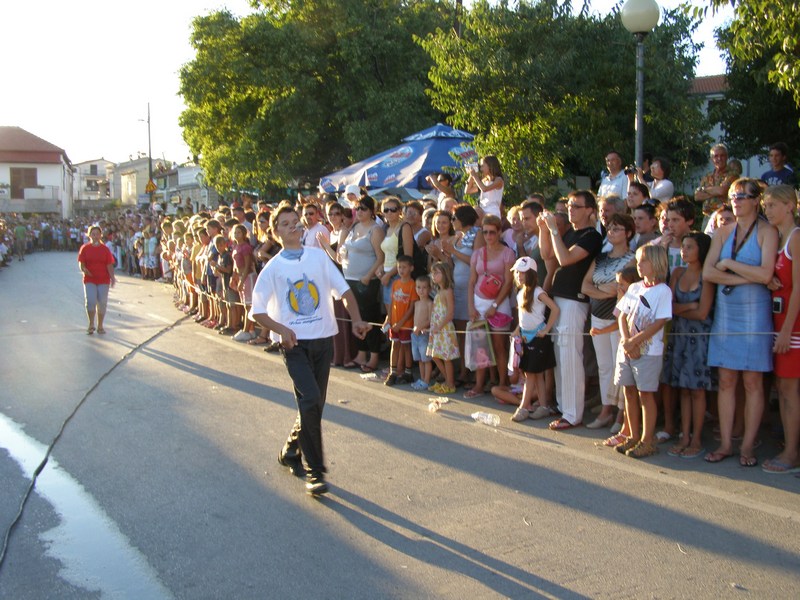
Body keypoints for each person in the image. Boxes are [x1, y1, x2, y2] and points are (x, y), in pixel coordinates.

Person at [250, 203, 370, 495]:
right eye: (285, 223)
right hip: (294, 346)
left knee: (313, 405)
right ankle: (315, 472)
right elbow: (257, 311)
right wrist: (282, 330)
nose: (293, 226)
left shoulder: (318, 258)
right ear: (275, 232)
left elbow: (342, 290)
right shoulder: (273, 268)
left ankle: (291, 450)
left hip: (323, 341)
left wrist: (356, 319)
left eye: (295, 221)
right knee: (311, 399)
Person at [704, 178, 778, 467]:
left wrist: (730, 265)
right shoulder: (723, 232)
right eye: (733, 196)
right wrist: (749, 276)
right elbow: (709, 273)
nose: (735, 200)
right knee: (726, 380)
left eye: (742, 196)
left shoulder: (767, 231)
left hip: (754, 314)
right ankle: (725, 443)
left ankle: (747, 445)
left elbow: (766, 273)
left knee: (752, 381)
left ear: (755, 200)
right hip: (726, 314)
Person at [538, 190, 604, 429]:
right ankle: (564, 406)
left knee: (570, 356)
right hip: (559, 298)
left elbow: (565, 259)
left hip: (575, 301)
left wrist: (554, 230)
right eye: (570, 205)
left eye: (576, 206)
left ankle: (573, 413)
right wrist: (545, 230)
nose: (570, 210)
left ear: (590, 210)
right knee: (560, 356)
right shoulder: (571, 233)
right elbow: (548, 256)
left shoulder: (591, 236)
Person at [614, 244, 672, 458]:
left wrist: (636, 341)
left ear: (656, 263)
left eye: (643, 261)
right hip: (628, 348)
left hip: (648, 351)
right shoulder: (635, 287)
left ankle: (647, 440)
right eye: (638, 261)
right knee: (629, 391)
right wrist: (627, 341)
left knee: (645, 394)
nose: (639, 265)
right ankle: (633, 434)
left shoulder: (663, 291)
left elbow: (659, 322)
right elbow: (622, 315)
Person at [663, 233, 716, 459]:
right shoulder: (677, 273)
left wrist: (684, 307)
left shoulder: (708, 276)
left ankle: (696, 438)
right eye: (683, 247)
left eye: (689, 247)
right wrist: (689, 305)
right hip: (679, 336)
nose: (684, 251)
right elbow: (669, 307)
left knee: (697, 390)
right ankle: (684, 435)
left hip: (700, 339)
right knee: (682, 389)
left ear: (701, 250)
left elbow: (703, 312)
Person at [580, 213, 636, 429]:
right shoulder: (601, 258)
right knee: (604, 366)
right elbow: (585, 286)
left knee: (619, 366)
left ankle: (621, 415)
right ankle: (605, 411)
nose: (611, 232)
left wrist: (602, 291)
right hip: (598, 316)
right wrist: (604, 292)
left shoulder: (631, 259)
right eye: (610, 228)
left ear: (628, 233)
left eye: (617, 229)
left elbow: (621, 289)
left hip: (618, 318)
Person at [762, 185, 800, 474]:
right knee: (783, 388)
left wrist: (787, 330)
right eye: (766, 204)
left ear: (790, 206)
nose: (768, 209)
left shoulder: (796, 238)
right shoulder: (779, 238)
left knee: (789, 389)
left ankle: (791, 453)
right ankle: (789, 446)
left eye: (773, 204)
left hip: (792, 324)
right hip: (779, 321)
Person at [465, 215, 516, 397]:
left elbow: (509, 282)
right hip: (479, 302)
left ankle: (503, 383)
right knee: (480, 345)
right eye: (485, 232)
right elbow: (471, 281)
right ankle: (479, 385)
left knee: (499, 345)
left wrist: (495, 304)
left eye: (492, 232)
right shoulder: (477, 253)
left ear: (499, 232)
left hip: (500, 303)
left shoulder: (507, 253)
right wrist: (470, 306)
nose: (488, 236)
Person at [338, 195, 385, 372]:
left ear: (372, 211)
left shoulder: (376, 230)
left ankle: (373, 356)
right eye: (357, 208)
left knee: (369, 317)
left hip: (366, 280)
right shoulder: (355, 226)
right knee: (355, 316)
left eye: (363, 208)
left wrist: (368, 275)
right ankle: (361, 352)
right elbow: (345, 248)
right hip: (350, 278)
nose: (359, 212)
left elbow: (380, 257)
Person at [509, 257, 559, 422]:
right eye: (517, 272)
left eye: (522, 272)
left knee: (531, 373)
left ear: (531, 273)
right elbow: (523, 316)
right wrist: (517, 330)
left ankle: (523, 407)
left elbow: (555, 309)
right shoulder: (520, 292)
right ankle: (543, 406)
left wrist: (546, 329)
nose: (519, 275)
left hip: (538, 337)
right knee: (535, 374)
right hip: (525, 337)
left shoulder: (538, 292)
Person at [443, 205, 485, 385]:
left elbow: (475, 260)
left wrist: (453, 252)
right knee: (460, 332)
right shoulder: (459, 237)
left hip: (472, 288)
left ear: (463, 218)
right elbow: (454, 262)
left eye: (454, 218)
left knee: (473, 332)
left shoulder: (478, 233)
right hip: (457, 288)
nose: (452, 222)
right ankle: (463, 370)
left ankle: (475, 373)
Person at [383, 255, 418, 386]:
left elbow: (411, 308)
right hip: (394, 323)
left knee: (406, 347)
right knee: (394, 345)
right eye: (399, 267)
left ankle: (408, 372)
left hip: (405, 324)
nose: (401, 270)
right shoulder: (395, 283)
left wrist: (401, 323)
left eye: (404, 267)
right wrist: (388, 318)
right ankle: (393, 372)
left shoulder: (412, 285)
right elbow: (392, 303)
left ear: (411, 268)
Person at [427, 261, 460, 395]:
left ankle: (450, 383)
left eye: (437, 273)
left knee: (446, 357)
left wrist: (439, 326)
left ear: (444, 274)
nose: (433, 275)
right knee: (435, 355)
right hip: (436, 328)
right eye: (432, 273)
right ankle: (447, 379)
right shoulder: (439, 291)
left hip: (444, 328)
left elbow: (450, 313)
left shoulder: (448, 291)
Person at [78, 225, 116, 335]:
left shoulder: (105, 249)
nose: (95, 236)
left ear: (101, 235)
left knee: (102, 303)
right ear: (89, 235)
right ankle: (91, 324)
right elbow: (81, 263)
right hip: (90, 279)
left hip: (103, 279)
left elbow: (109, 264)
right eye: (93, 234)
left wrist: (112, 277)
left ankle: (100, 325)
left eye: (97, 234)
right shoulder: (85, 248)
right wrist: (84, 269)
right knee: (90, 301)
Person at [695, 143, 737, 229]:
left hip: (723, 217)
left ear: (727, 157)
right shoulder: (707, 176)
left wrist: (704, 189)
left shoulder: (732, 175)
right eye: (716, 156)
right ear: (712, 159)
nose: (719, 158)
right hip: (707, 216)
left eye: (722, 155)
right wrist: (715, 191)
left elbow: (722, 191)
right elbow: (697, 196)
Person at [410, 275, 434, 391]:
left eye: (424, 288)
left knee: (426, 359)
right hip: (415, 334)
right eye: (419, 287)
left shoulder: (430, 303)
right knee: (419, 359)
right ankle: (422, 378)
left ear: (429, 289)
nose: (421, 290)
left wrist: (420, 327)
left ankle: (426, 381)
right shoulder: (416, 303)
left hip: (424, 334)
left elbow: (430, 320)